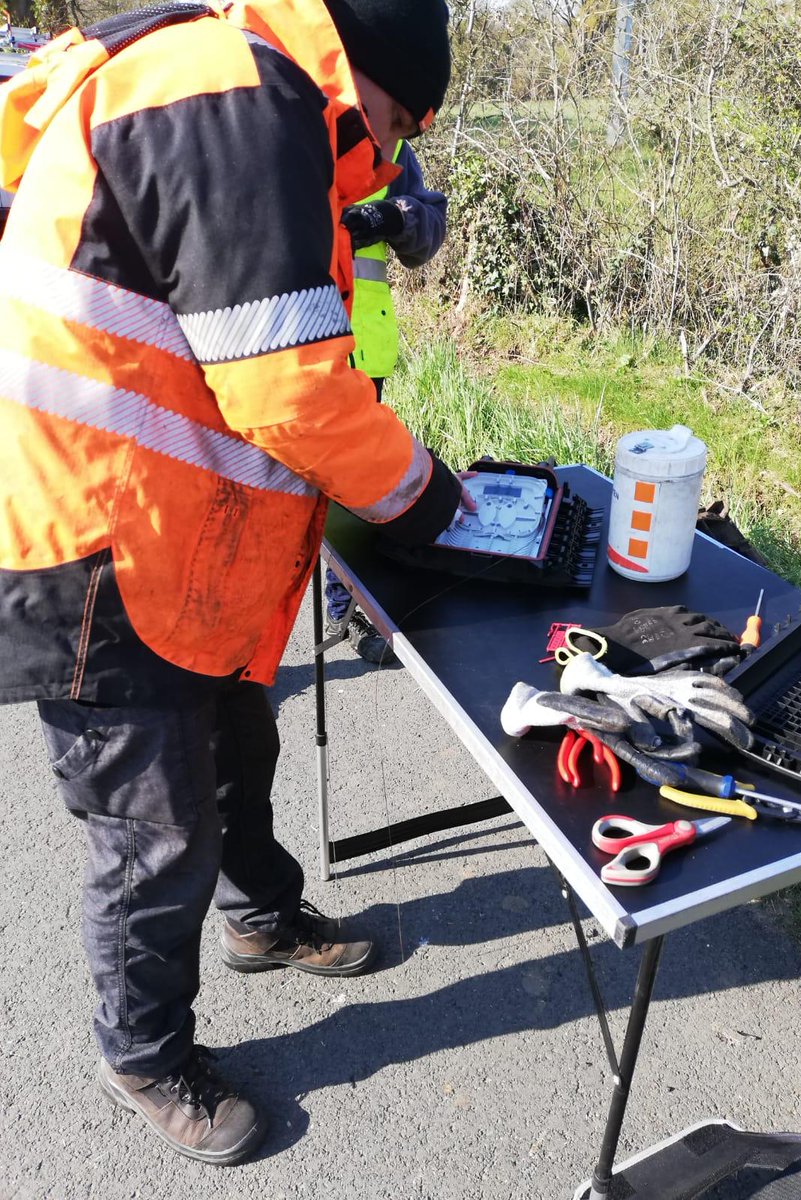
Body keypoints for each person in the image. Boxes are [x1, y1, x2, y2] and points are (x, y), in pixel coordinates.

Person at [0, 0, 471, 1168]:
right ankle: (144, 1051)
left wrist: (348, 211)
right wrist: (424, 501)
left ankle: (261, 918)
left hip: (176, 537)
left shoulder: (238, 86)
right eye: (396, 123)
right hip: (101, 541)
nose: (391, 153)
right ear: (362, 71)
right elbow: (288, 391)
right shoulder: (234, 92)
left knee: (234, 748)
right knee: (151, 832)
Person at [325, 139, 448, 663]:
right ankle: (239, 657)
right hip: (282, 348)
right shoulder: (277, 106)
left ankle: (349, 608)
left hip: (363, 351)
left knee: (357, 494)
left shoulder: (390, 143)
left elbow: (428, 227)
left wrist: (394, 215)